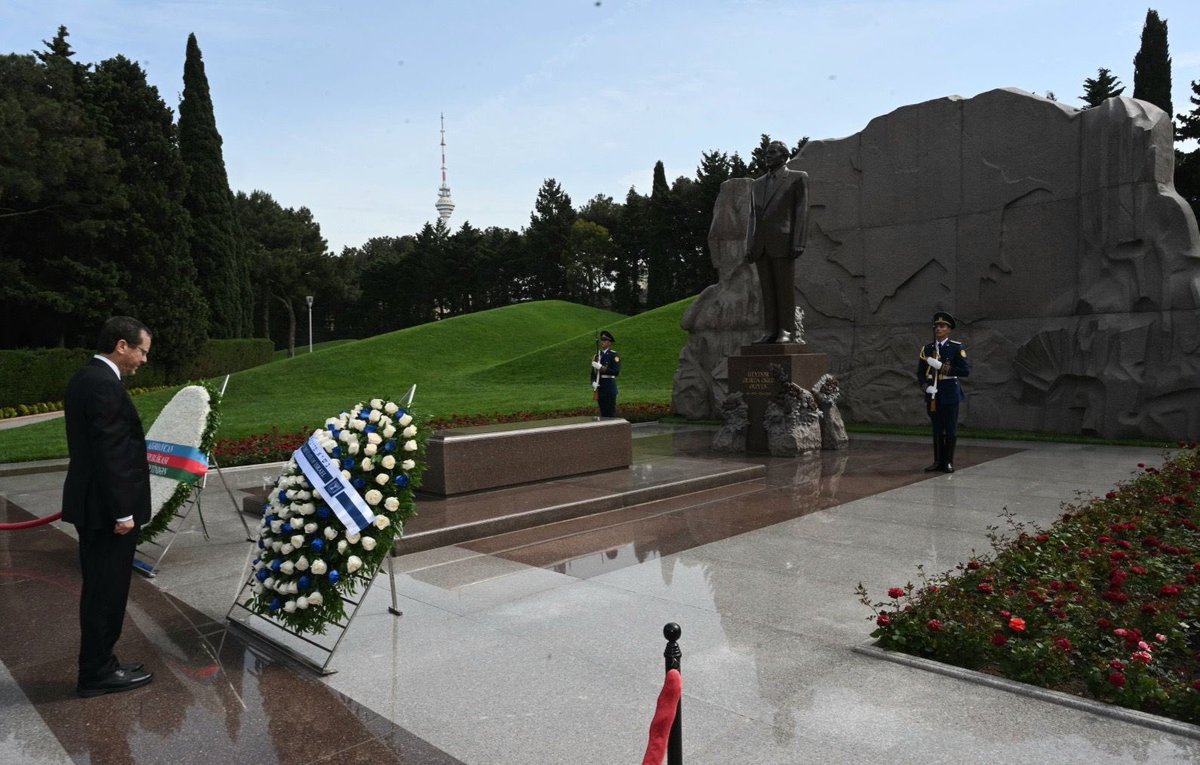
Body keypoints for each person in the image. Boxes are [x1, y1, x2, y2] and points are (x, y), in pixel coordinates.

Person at [62, 316, 155, 698]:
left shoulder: (87, 378)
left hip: (94, 506)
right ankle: (96, 672)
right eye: (141, 351)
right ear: (121, 346)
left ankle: (103, 661)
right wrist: (123, 513)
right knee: (106, 592)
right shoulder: (104, 386)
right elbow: (111, 454)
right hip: (106, 512)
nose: (143, 360)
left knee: (102, 588)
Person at [745, 140, 809, 343]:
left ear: (784, 156)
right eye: (766, 153)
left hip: (783, 241)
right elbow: (753, 217)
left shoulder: (797, 178)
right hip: (761, 244)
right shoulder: (757, 184)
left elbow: (801, 211)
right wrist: (749, 245)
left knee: (784, 289)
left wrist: (798, 241)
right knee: (767, 290)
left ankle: (786, 330)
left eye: (772, 152)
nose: (768, 156)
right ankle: (770, 330)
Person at [916, 311, 970, 473]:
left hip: (950, 393)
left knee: (950, 428)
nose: (938, 329)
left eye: (942, 326)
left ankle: (948, 462)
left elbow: (964, 371)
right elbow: (920, 373)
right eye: (936, 326)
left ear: (949, 329)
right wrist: (926, 387)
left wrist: (941, 367)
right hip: (934, 394)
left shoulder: (956, 348)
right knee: (937, 428)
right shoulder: (927, 349)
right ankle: (938, 461)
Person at [590, 329, 621, 417]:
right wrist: (593, 382)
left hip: (609, 388)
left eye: (605, 340)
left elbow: (616, 372)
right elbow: (593, 373)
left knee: (610, 413)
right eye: (601, 340)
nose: (602, 342)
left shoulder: (614, 355)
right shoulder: (597, 355)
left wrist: (601, 368)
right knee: (603, 413)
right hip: (600, 388)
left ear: (609, 343)